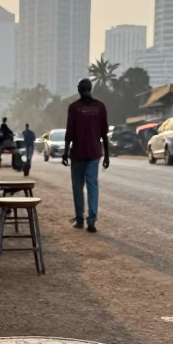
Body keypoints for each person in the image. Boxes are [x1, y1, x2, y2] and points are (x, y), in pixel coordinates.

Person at [62, 78, 109, 232]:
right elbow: (105, 134)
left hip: (78, 153)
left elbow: (69, 132)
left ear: (79, 90)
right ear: (90, 89)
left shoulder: (74, 107)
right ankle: (92, 220)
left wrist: (65, 151)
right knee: (92, 186)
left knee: (78, 187)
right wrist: (107, 155)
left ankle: (80, 218)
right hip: (94, 153)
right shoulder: (100, 107)